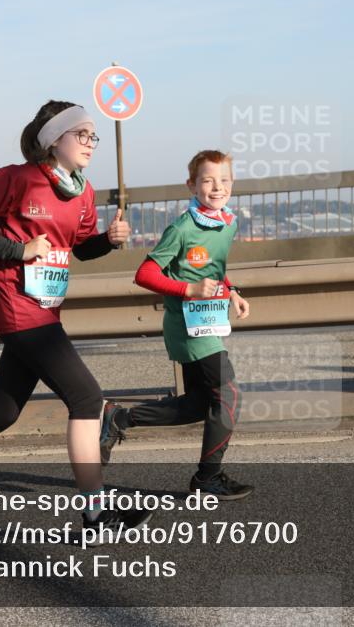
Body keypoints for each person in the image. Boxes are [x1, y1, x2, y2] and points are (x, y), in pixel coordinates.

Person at [0, 100, 151, 546]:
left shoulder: (83, 191)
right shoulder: (17, 178)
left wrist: (108, 242)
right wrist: (17, 251)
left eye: (95, 136)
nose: (91, 143)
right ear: (54, 139)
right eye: (83, 134)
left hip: (46, 307)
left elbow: (80, 249)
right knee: (87, 398)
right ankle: (96, 516)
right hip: (17, 306)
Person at [99, 150, 253, 500]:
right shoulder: (182, 228)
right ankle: (208, 477)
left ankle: (119, 418)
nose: (217, 187)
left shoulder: (228, 222)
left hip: (209, 322)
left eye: (224, 180)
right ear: (192, 185)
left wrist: (231, 292)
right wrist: (189, 289)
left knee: (200, 403)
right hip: (186, 325)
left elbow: (211, 268)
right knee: (228, 396)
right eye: (208, 180)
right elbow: (145, 274)